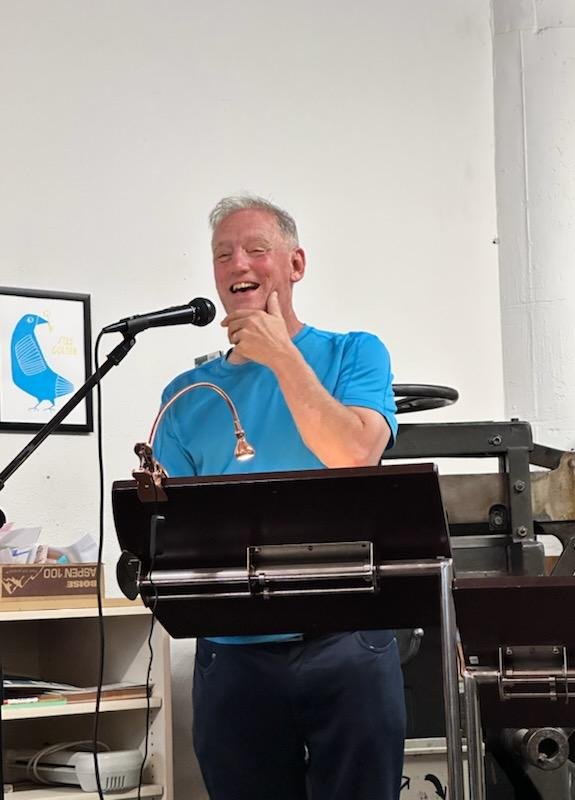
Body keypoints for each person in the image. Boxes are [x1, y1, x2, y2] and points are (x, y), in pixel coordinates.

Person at [153, 196, 405, 800]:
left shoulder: (355, 353)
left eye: (256, 249)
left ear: (296, 264)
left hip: (347, 640)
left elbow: (354, 453)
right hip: (233, 656)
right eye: (223, 255)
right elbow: (172, 532)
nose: (237, 263)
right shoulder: (187, 395)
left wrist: (280, 356)